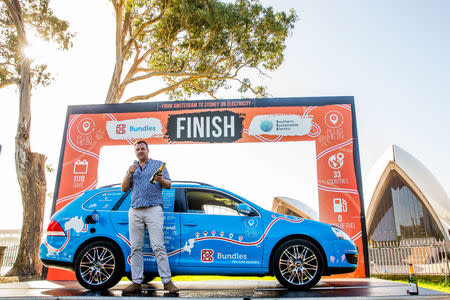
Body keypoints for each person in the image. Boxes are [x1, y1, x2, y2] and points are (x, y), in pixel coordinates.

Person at [121, 140, 179, 294]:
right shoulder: (132, 168)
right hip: (135, 210)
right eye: (137, 149)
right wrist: (129, 174)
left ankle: (167, 282)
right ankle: (136, 282)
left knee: (158, 246)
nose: (140, 151)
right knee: (135, 248)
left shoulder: (158, 164)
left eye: (142, 149)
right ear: (135, 153)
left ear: (148, 150)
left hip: (154, 209)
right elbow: (124, 188)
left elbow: (168, 185)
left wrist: (160, 179)